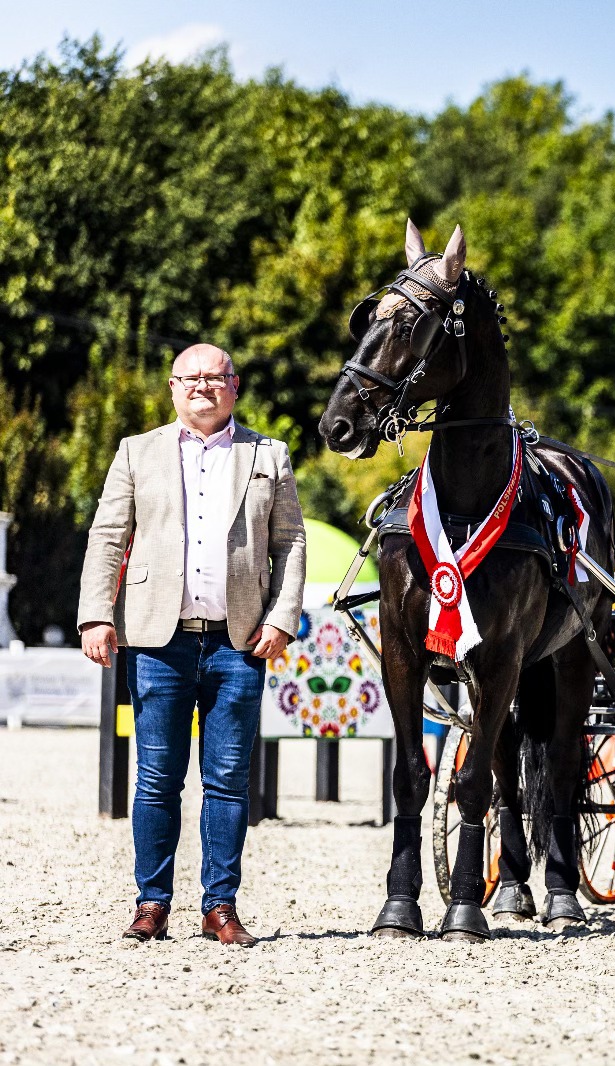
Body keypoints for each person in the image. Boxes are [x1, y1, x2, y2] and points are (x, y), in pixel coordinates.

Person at [79, 343, 307, 947]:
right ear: (173, 387)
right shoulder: (137, 451)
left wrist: (283, 618)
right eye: (191, 378)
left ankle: (220, 907)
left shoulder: (269, 454)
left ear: (235, 385)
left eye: (215, 377)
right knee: (157, 778)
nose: (203, 386)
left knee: (228, 780)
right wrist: (96, 616)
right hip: (157, 640)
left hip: (240, 641)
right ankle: (151, 903)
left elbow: (290, 542)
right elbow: (107, 537)